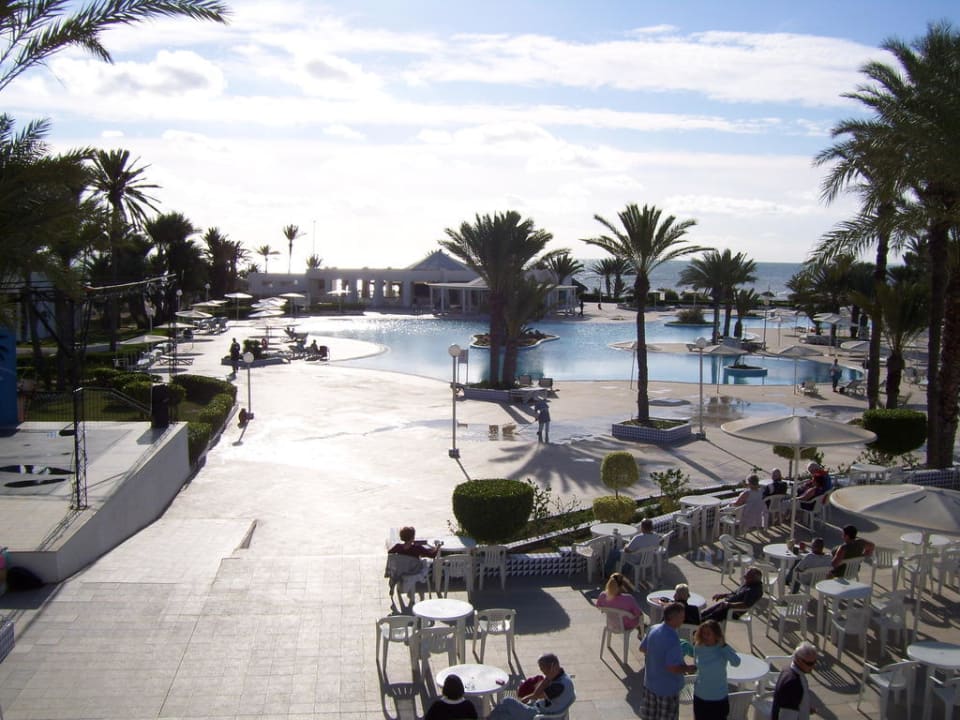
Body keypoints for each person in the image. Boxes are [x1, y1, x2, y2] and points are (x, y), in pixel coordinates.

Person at [638, 603, 697, 720]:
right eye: (681, 616)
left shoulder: (653, 628)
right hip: (667, 689)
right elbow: (672, 668)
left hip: (650, 684)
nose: (683, 619)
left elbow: (642, 648)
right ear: (673, 618)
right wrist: (689, 668)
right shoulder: (672, 638)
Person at [679, 620, 740, 720]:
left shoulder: (723, 648)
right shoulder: (698, 647)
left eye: (708, 634)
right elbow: (697, 665)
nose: (704, 636)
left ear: (716, 635)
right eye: (703, 633)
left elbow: (736, 662)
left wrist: (724, 645)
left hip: (719, 697)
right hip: (700, 695)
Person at [488, 653, 574, 720]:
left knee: (507, 701)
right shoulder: (562, 676)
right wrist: (529, 696)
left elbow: (537, 694)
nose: (542, 671)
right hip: (542, 709)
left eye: (543, 669)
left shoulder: (558, 686)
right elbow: (536, 695)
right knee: (503, 715)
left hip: (541, 715)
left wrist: (547, 678)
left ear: (552, 667)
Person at [772, 641, 821, 720]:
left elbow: (798, 701)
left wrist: (805, 707)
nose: (813, 666)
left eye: (815, 662)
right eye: (809, 663)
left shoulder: (788, 669)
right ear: (798, 660)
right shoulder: (793, 685)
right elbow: (786, 716)